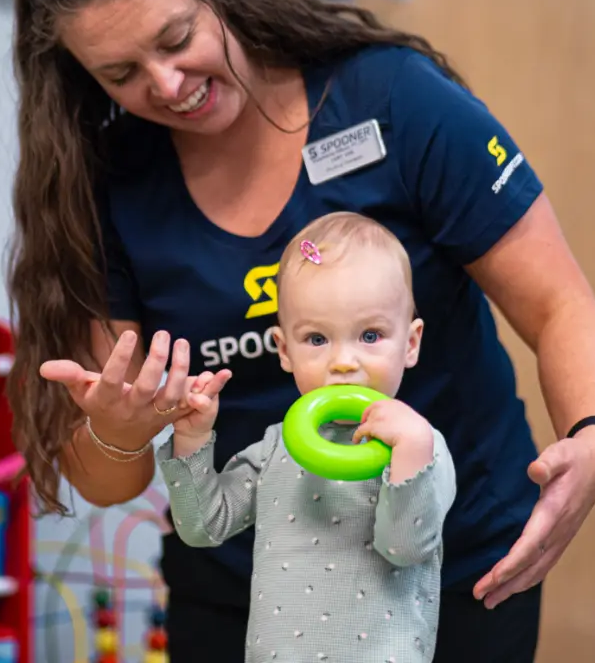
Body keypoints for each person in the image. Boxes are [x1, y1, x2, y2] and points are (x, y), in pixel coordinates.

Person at [4, 0, 595, 662]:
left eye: (175, 39)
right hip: (253, 600)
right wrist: (119, 431)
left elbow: (559, 305)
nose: (166, 85)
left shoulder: (393, 100)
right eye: (120, 75)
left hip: (453, 570)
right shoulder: (105, 184)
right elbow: (108, 479)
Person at [158, 212, 457, 662]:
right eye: (317, 339)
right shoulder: (277, 447)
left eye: (370, 335)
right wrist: (193, 438)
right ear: (284, 349)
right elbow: (204, 526)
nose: (342, 362)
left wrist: (410, 454)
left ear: (410, 343)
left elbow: (405, 547)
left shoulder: (422, 447)